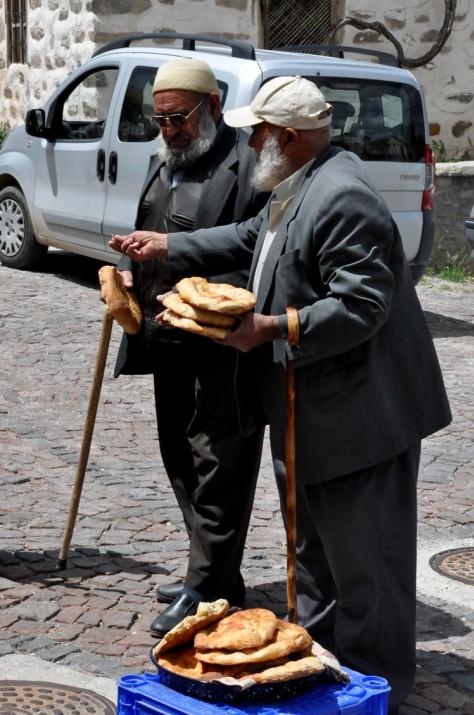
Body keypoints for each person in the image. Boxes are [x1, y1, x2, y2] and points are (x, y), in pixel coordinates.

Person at [110, 75, 451, 713]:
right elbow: (253, 243)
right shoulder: (294, 183)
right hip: (309, 410)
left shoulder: (342, 195)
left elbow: (363, 304)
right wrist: (171, 245)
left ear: (287, 137)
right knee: (314, 554)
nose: (249, 141)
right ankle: (319, 673)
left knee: (364, 564)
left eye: (258, 131)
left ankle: (375, 689)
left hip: (361, 416)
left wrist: (271, 327)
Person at [110, 57, 267, 638]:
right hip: (165, 340)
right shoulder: (167, 160)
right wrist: (130, 269)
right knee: (180, 458)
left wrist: (173, 253)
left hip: (221, 348)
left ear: (213, 107)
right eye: (161, 119)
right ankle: (216, 576)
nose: (169, 130)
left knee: (219, 467)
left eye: (178, 118)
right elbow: (150, 229)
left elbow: (255, 255)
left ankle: (206, 587)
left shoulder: (248, 166)